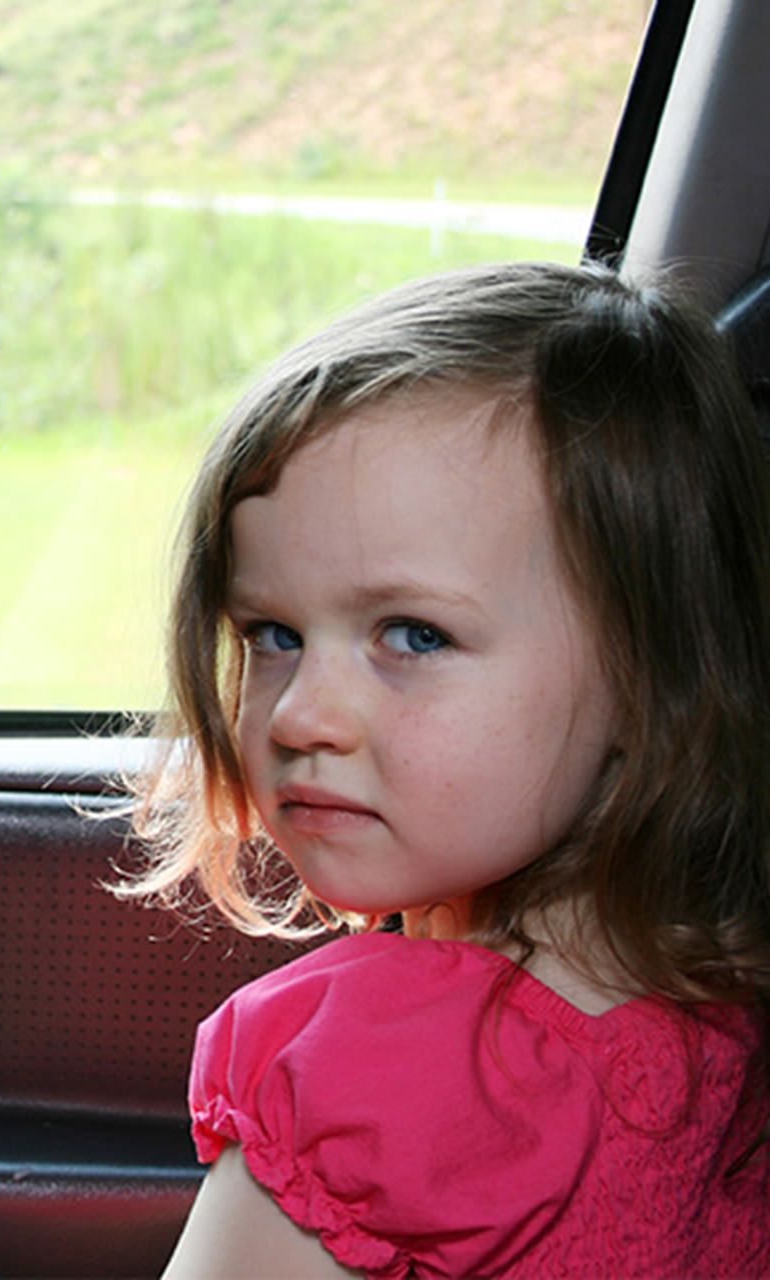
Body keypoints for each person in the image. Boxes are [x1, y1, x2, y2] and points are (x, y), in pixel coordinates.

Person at [126, 260, 770, 1278]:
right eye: (273, 633)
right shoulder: (724, 1017)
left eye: (414, 635)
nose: (299, 713)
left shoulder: (363, 1084)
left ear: (651, 673)